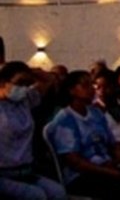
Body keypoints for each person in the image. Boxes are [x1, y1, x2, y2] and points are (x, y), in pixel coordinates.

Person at [0, 61, 67, 200]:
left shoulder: (25, 100)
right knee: (36, 196)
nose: (23, 88)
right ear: (4, 82)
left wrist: (30, 71)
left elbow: (50, 79)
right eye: (19, 83)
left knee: (58, 192)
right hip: (4, 174)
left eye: (26, 83)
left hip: (26, 171)